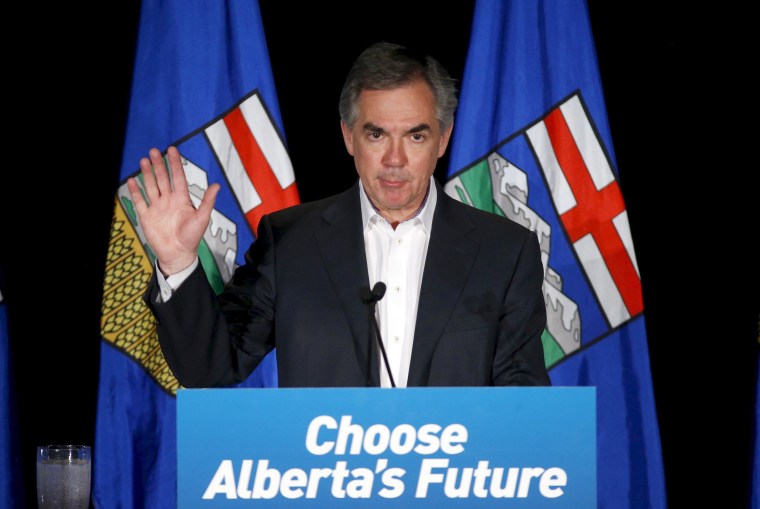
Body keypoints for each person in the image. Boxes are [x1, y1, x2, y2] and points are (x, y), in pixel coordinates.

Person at [128, 41, 551, 389]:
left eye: (416, 135)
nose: (394, 159)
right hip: (322, 487)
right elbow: (210, 371)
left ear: (443, 138)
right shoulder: (290, 242)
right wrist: (178, 262)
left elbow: (522, 405)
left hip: (455, 486)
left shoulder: (504, 252)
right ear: (349, 136)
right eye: (376, 134)